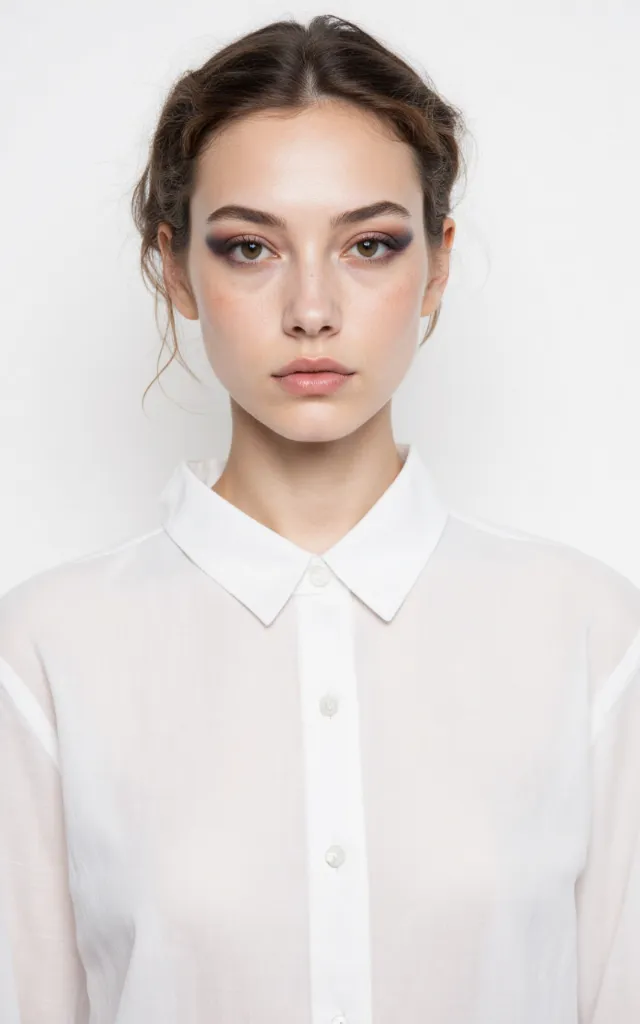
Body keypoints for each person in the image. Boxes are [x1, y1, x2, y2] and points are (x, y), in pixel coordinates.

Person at [0, 13, 639, 1024]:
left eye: (369, 244)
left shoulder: (593, 638)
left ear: (434, 265)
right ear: (176, 268)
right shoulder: (42, 653)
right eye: (249, 247)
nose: (310, 308)